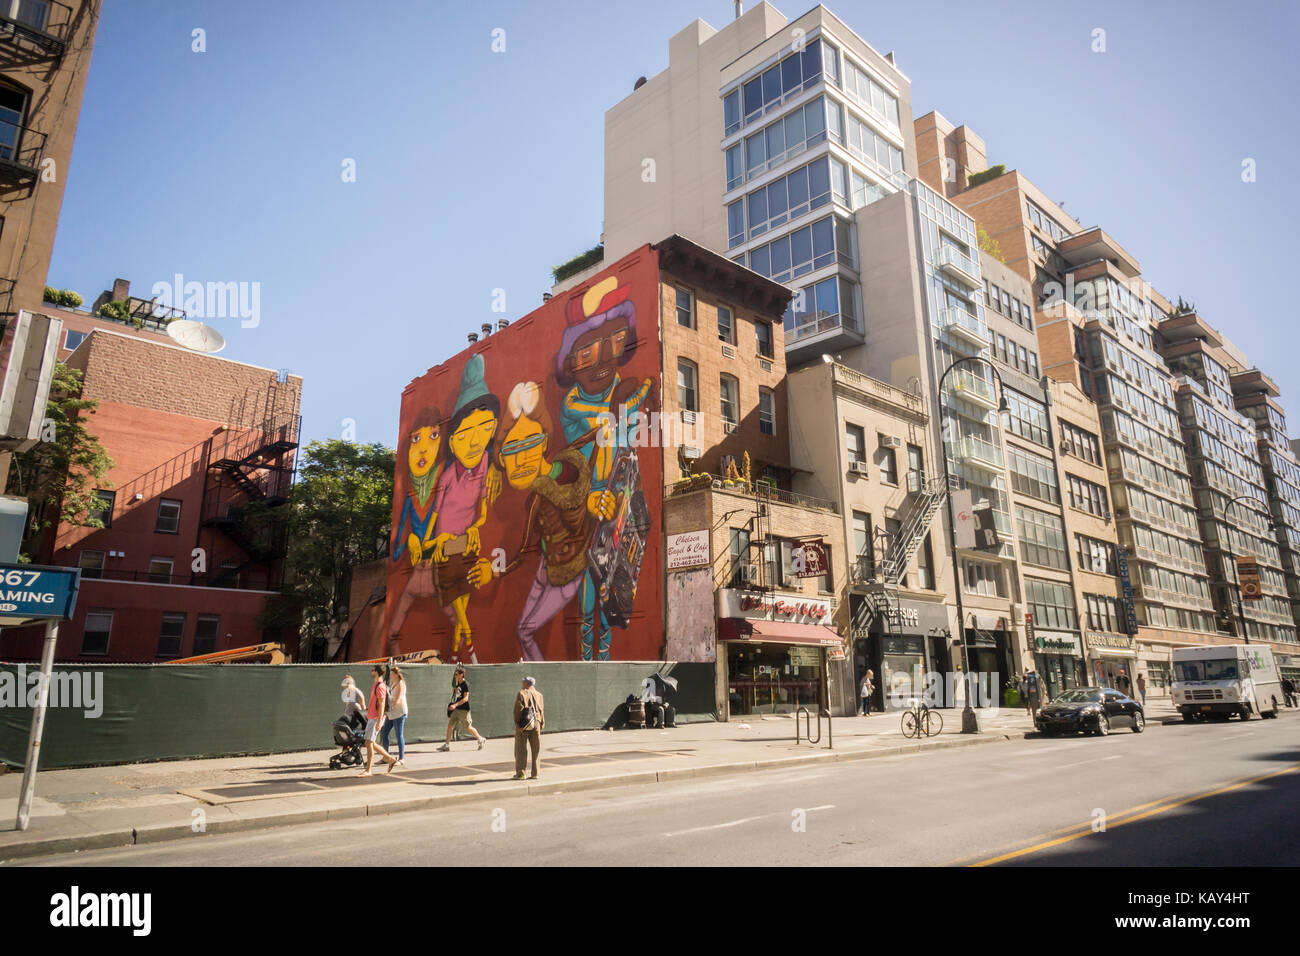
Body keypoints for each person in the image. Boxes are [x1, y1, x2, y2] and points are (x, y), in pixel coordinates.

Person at [360, 665, 398, 776]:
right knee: (369, 742)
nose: (371, 672)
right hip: (372, 717)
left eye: (372, 670)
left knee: (369, 743)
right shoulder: (376, 685)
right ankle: (390, 759)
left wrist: (378, 722)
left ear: (376, 672)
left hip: (376, 718)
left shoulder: (380, 686)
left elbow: (382, 705)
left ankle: (368, 770)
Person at [439, 665, 486, 751]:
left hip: (464, 710)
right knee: (450, 726)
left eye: (457, 674)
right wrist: (455, 690)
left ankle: (480, 739)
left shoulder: (465, 684)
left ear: (462, 674)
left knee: (468, 727)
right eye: (455, 674)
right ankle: (447, 745)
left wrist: (455, 705)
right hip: (457, 710)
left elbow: (465, 698)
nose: (455, 676)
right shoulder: (458, 683)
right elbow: (459, 694)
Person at [512, 676, 545, 780]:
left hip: (524, 725)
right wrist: (541, 724)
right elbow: (541, 710)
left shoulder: (521, 693)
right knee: (536, 750)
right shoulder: (539, 695)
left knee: (521, 749)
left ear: (527, 683)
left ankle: (521, 773)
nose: (522, 683)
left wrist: (517, 725)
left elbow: (518, 710)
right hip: (536, 724)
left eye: (523, 682)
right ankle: (535, 773)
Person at [381, 665, 409, 766]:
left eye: (392, 674)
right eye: (390, 674)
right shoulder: (393, 684)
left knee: (399, 735)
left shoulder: (401, 684)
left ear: (397, 675)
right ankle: (386, 757)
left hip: (399, 713)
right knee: (384, 734)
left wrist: (388, 708)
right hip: (391, 714)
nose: (391, 676)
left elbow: (397, 699)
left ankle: (401, 759)